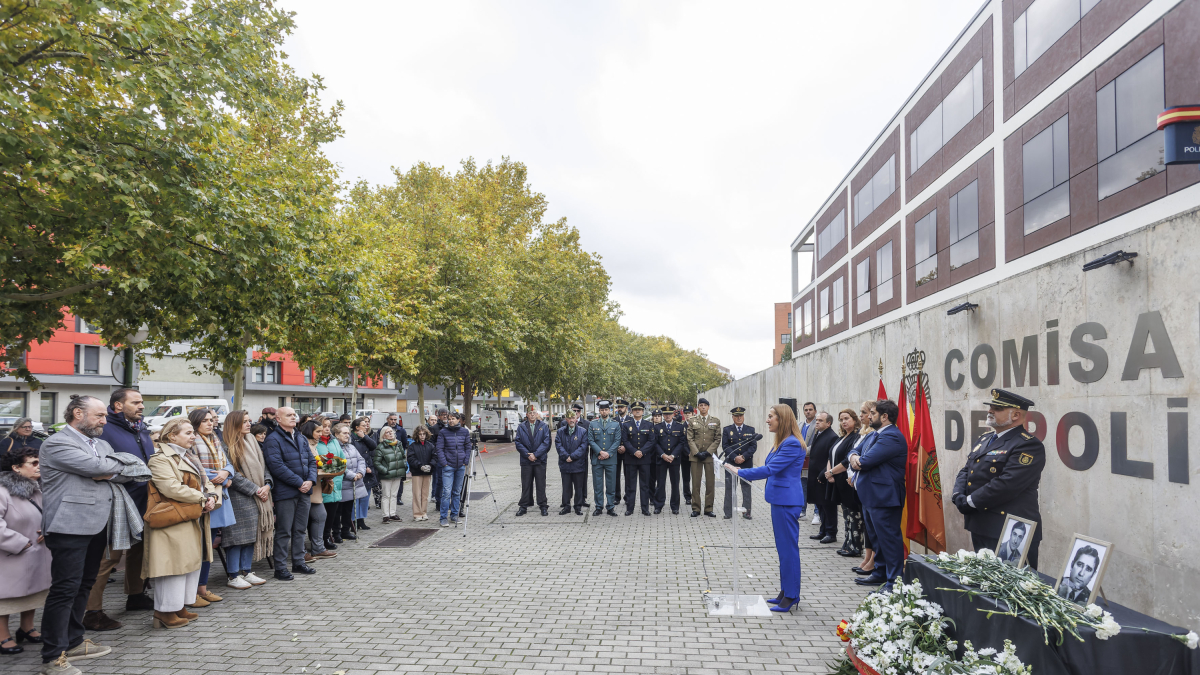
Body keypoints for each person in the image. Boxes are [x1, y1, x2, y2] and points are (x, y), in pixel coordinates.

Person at [39, 395, 144, 671]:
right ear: (77, 413)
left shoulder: (101, 443)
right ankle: (52, 657)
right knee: (64, 589)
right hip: (68, 525)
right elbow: (97, 467)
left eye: (105, 416)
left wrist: (109, 470)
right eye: (99, 416)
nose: (104, 420)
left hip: (97, 523)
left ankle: (74, 641)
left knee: (84, 585)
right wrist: (109, 469)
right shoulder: (57, 443)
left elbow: (125, 472)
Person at [952, 388, 1046, 570]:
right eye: (991, 407)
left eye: (997, 408)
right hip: (981, 524)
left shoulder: (1028, 445)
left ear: (1016, 415)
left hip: (1010, 531)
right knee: (986, 586)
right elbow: (967, 470)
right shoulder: (985, 438)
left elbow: (1007, 484)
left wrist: (970, 501)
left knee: (1011, 591)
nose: (990, 411)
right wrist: (957, 494)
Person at [85, 388, 155, 631]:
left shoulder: (141, 429)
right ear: (117, 406)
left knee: (139, 550)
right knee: (109, 557)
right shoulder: (106, 431)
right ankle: (92, 611)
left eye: (142, 402)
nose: (141, 406)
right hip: (116, 503)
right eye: (135, 402)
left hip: (144, 501)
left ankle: (135, 595)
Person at [727, 403, 807, 613]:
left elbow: (771, 469)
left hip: (787, 501)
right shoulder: (781, 442)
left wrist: (740, 471)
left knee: (789, 550)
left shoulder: (791, 443)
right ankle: (785, 591)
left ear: (782, 419)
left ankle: (791, 596)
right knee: (783, 550)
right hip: (779, 500)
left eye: (771, 416)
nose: (767, 420)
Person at [142, 418, 217, 630]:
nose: (193, 436)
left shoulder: (188, 456)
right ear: (171, 436)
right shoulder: (160, 459)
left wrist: (211, 495)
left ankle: (178, 606)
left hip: (189, 516)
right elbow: (171, 488)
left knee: (188, 565)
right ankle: (164, 612)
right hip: (172, 519)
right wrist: (203, 497)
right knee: (172, 566)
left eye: (193, 432)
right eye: (188, 433)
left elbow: (206, 482)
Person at [849, 399, 907, 591]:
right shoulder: (875, 434)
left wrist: (858, 460)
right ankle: (880, 573)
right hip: (872, 497)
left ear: (884, 416)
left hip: (885, 498)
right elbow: (855, 450)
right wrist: (854, 457)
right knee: (877, 539)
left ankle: (894, 582)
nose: (869, 416)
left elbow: (867, 460)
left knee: (889, 539)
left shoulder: (891, 436)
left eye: (872, 413)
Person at [0, 445, 51, 656]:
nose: (39, 467)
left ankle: (27, 627)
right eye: (33, 463)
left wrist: (48, 529)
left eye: (40, 462)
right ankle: (2, 636)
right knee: (5, 597)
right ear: (16, 468)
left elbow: (46, 514)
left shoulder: (38, 487)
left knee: (34, 592)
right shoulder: (3, 491)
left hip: (38, 552)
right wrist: (21, 543)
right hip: (11, 555)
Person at [262, 407, 316, 581]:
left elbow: (311, 462)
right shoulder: (273, 439)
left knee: (300, 529)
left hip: (304, 491)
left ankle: (299, 562)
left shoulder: (299, 436)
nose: (293, 417)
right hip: (286, 492)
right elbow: (276, 466)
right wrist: (299, 483)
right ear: (278, 418)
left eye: (294, 415)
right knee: (284, 531)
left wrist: (310, 481)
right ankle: (280, 568)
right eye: (289, 415)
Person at [222, 410, 276, 582]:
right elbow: (232, 473)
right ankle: (233, 575)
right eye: (244, 421)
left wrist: (267, 485)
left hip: (259, 495)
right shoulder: (226, 445)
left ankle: (247, 571)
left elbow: (264, 466)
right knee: (237, 538)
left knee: (251, 535)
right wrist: (255, 489)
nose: (248, 424)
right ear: (234, 423)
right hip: (239, 497)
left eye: (249, 421)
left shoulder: (252, 440)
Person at [186, 408, 233, 605]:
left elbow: (228, 463)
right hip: (204, 497)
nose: (210, 423)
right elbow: (193, 466)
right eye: (205, 420)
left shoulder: (215, 439)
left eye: (211, 420)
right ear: (196, 422)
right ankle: (192, 591)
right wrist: (220, 476)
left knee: (209, 546)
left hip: (219, 496)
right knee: (199, 546)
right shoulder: (191, 440)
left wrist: (226, 473)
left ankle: (203, 588)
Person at [823, 410, 866, 559]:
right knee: (846, 515)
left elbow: (847, 460)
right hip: (838, 481)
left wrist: (832, 472)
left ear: (855, 420)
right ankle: (848, 544)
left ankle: (855, 546)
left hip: (848, 481)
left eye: (847, 418)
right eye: (841, 419)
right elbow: (831, 455)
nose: (844, 422)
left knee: (854, 515)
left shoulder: (856, 437)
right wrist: (829, 472)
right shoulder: (842, 437)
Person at [298, 421, 335, 565]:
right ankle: (301, 551)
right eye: (318, 431)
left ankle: (318, 548)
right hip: (305, 487)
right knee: (301, 522)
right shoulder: (304, 444)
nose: (321, 434)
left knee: (321, 515)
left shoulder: (313, 445)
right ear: (309, 431)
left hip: (315, 488)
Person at [805, 412, 838, 544]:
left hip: (824, 476)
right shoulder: (818, 434)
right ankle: (823, 530)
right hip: (815, 476)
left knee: (828, 506)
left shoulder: (832, 437)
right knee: (820, 505)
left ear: (828, 423)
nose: (817, 422)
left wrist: (824, 473)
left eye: (820, 420)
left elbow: (831, 458)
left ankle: (831, 532)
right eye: (817, 420)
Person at [435, 412, 471, 527]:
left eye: (453, 419)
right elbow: (439, 449)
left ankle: (454, 515)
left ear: (458, 420)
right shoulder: (443, 432)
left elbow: (467, 447)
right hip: (448, 466)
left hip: (460, 466)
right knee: (446, 492)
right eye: (449, 419)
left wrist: (465, 461)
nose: (450, 421)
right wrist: (444, 463)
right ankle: (443, 517)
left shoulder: (464, 432)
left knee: (457, 492)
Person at [686, 398, 721, 518]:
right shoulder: (692, 420)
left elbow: (717, 439)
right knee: (696, 484)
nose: (703, 407)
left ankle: (708, 508)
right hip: (696, 457)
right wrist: (696, 452)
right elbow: (689, 438)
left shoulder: (715, 421)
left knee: (710, 484)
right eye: (701, 405)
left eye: (705, 405)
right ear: (698, 408)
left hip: (709, 457)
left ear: (708, 407)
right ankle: (696, 508)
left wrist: (708, 452)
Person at [721, 406, 757, 520]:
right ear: (732, 417)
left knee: (746, 487)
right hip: (732, 463)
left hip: (746, 463)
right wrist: (735, 457)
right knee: (730, 487)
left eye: (741, 415)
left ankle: (746, 511)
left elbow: (753, 446)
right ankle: (728, 512)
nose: (739, 418)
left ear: (743, 416)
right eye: (736, 416)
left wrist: (743, 457)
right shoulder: (727, 430)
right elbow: (725, 446)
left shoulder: (750, 430)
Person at [515, 407, 551, 517]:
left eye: (534, 413)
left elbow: (546, 442)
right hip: (526, 460)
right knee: (526, 484)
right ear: (526, 414)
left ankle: (543, 506)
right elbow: (518, 442)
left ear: (537, 414)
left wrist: (536, 454)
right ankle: (524, 506)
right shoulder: (521, 427)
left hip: (539, 460)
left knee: (541, 484)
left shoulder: (543, 426)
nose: (532, 415)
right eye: (530, 413)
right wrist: (528, 454)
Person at [620, 403, 654, 517]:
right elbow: (625, 440)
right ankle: (630, 508)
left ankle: (645, 509)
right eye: (635, 410)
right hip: (631, 458)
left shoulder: (649, 424)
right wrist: (634, 451)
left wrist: (642, 451)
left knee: (644, 485)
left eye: (639, 410)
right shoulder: (626, 425)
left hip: (645, 459)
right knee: (630, 485)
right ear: (632, 412)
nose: (637, 411)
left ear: (643, 411)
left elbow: (651, 441)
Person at [315, 422, 346, 549]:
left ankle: (327, 537)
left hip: (335, 482)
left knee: (332, 514)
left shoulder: (334, 441)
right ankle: (318, 539)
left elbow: (342, 459)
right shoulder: (315, 442)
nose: (327, 428)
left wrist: (338, 473)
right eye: (324, 426)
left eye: (328, 426)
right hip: (320, 484)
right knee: (321, 515)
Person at [588, 401, 620, 517]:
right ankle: (599, 507)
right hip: (597, 459)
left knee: (611, 485)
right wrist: (600, 452)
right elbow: (591, 440)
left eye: (606, 410)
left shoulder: (615, 424)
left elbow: (617, 441)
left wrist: (608, 453)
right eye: (602, 410)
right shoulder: (593, 424)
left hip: (611, 459)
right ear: (599, 411)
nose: (604, 412)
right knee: (598, 485)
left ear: (609, 410)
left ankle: (610, 507)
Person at [653, 406, 686, 515]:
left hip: (674, 459)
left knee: (675, 484)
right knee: (660, 483)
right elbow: (655, 443)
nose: (667, 416)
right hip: (661, 459)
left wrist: (673, 455)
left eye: (669, 414)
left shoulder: (679, 427)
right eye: (665, 414)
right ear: (663, 415)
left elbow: (682, 442)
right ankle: (658, 505)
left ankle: (675, 506)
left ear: (673, 415)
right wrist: (662, 455)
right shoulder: (658, 427)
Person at [555, 411, 589, 515]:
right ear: (566, 420)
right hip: (565, 464)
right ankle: (566, 506)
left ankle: (577, 507)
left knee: (578, 487)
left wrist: (573, 456)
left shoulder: (582, 431)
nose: (571, 420)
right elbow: (558, 445)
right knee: (566, 487)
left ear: (576, 419)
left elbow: (583, 446)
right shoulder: (560, 431)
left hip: (578, 464)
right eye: (569, 418)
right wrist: (566, 456)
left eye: (573, 418)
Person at [338, 423, 367, 539]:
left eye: (348, 433)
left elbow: (361, 459)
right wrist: (352, 475)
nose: (347, 435)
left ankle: (346, 530)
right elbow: (338, 463)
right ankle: (337, 532)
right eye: (344, 433)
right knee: (339, 510)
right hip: (343, 482)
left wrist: (360, 473)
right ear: (337, 434)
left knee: (348, 508)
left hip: (354, 482)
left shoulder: (351, 446)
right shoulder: (336, 447)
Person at [349, 418, 377, 531]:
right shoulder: (351, 439)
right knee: (356, 498)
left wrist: (364, 436)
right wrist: (364, 467)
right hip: (358, 471)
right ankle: (353, 521)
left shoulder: (365, 437)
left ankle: (362, 520)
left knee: (365, 497)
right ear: (357, 427)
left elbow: (373, 446)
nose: (366, 426)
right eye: (363, 425)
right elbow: (356, 456)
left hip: (368, 471)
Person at [374, 426, 407, 522]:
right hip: (386, 475)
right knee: (386, 495)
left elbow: (403, 456)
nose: (390, 433)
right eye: (387, 432)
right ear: (383, 435)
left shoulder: (398, 444)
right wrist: (385, 471)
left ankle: (392, 513)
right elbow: (376, 462)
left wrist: (404, 466)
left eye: (391, 431)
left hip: (398, 473)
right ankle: (385, 515)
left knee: (394, 495)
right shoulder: (380, 447)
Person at [406, 426, 436, 521]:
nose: (422, 436)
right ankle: (417, 513)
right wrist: (420, 466)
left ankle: (424, 512)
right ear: (417, 435)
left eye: (424, 434)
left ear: (427, 435)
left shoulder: (430, 445)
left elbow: (435, 457)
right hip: (417, 472)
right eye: (420, 434)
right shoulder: (412, 446)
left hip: (427, 472)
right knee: (416, 493)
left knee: (425, 494)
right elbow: (411, 458)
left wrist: (430, 465)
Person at [612, 399, 630, 505]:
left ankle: (628, 496)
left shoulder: (630, 420)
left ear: (626, 409)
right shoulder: (613, 421)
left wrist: (625, 447)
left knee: (628, 475)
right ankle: (616, 497)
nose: (619, 409)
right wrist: (618, 446)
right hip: (616, 451)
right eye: (618, 407)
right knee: (616, 475)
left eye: (621, 407)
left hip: (627, 452)